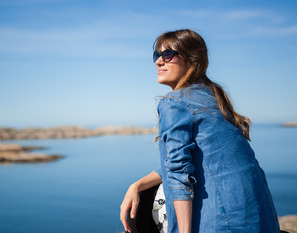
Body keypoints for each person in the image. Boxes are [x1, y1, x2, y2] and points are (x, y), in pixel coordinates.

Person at [120, 29, 280, 233]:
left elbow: (178, 173)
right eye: (157, 55)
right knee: (147, 190)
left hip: (222, 223)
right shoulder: (214, 97)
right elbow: (200, 159)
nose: (159, 62)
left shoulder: (174, 103)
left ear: (191, 60)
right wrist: (137, 185)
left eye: (167, 55)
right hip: (261, 220)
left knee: (146, 205)